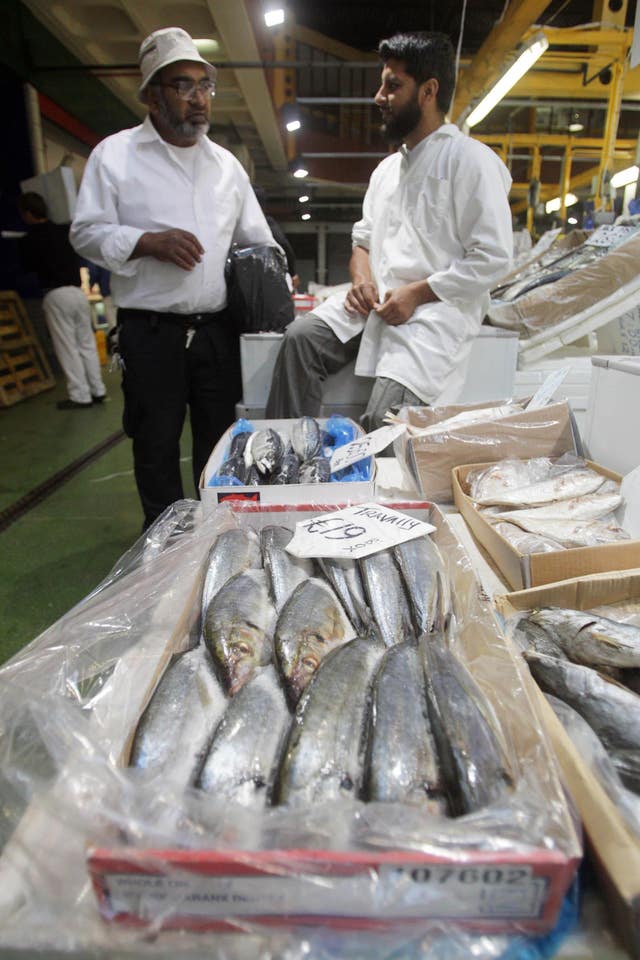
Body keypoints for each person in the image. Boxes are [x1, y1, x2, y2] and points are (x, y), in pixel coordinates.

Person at [70, 27, 277, 528]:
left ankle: (215, 538)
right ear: (151, 94)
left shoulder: (226, 166)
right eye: (182, 86)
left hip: (216, 334)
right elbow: (86, 232)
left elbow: (258, 240)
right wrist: (145, 242)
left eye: (205, 86)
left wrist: (269, 285)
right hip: (151, 332)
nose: (198, 99)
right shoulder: (115, 156)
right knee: (156, 442)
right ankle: (161, 549)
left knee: (221, 445)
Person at [265, 31, 514, 430]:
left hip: (433, 316)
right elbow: (362, 240)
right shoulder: (387, 171)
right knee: (300, 340)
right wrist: (361, 279)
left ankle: (371, 489)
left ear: (428, 91)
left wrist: (416, 294)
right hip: (374, 307)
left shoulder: (470, 161)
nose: (379, 96)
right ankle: (287, 458)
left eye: (393, 86)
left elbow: (493, 258)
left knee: (384, 420)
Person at [17, 192, 107, 410]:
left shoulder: (30, 240)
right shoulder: (64, 231)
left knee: (68, 346)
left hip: (56, 294)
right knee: (86, 343)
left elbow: (26, 266)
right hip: (77, 293)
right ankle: (98, 389)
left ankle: (80, 395)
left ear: (29, 213)